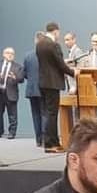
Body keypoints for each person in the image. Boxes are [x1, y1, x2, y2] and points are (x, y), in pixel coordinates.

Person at [37, 21, 76, 153]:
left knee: (47, 113)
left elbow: (49, 63)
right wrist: (73, 72)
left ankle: (49, 142)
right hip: (52, 83)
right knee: (52, 114)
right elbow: (60, 65)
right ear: (56, 31)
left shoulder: (39, 44)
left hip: (43, 83)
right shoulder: (54, 45)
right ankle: (51, 144)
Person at [0, 47, 25, 139]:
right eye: (8, 53)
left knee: (12, 115)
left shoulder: (18, 66)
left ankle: (12, 133)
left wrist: (15, 77)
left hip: (11, 93)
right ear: (3, 54)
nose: (10, 55)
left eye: (12, 54)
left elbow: (21, 79)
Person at [23, 32, 46, 146]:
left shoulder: (28, 56)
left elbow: (25, 73)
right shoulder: (46, 55)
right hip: (44, 88)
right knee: (44, 114)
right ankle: (45, 138)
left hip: (31, 90)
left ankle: (38, 140)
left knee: (35, 115)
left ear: (35, 41)